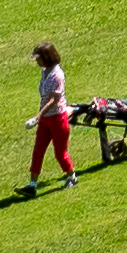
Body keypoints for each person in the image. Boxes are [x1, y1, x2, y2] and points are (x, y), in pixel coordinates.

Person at [28, 43, 78, 192]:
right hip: (46, 119)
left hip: (57, 118)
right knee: (38, 151)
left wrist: (38, 116)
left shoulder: (57, 75)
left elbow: (53, 100)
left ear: (46, 57)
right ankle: (32, 185)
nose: (37, 62)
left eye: (39, 58)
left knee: (60, 153)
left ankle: (71, 177)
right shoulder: (45, 72)